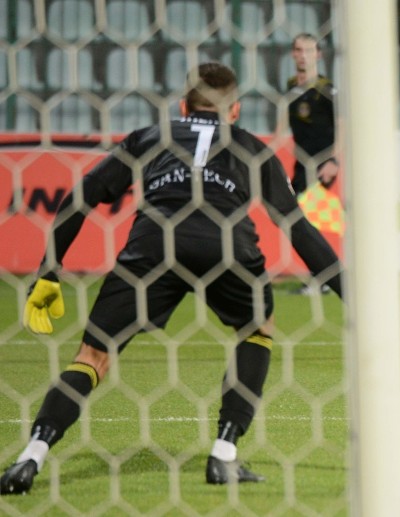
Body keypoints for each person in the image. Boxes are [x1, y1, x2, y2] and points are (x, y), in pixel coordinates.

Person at [1, 62, 342, 495]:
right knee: (256, 329)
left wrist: (48, 273)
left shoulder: (151, 136)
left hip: (155, 244)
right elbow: (300, 230)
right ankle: (223, 454)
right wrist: (354, 295)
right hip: (227, 245)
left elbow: (81, 196)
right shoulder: (253, 149)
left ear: (183, 106)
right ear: (234, 111)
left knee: (92, 356)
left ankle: (30, 457)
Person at [286, 33, 338, 196]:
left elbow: (343, 127)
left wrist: (334, 161)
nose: (303, 56)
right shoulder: (291, 86)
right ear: (293, 54)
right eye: (299, 50)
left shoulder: (327, 91)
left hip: (322, 165)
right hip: (301, 163)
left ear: (318, 55)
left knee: (307, 210)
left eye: (309, 51)